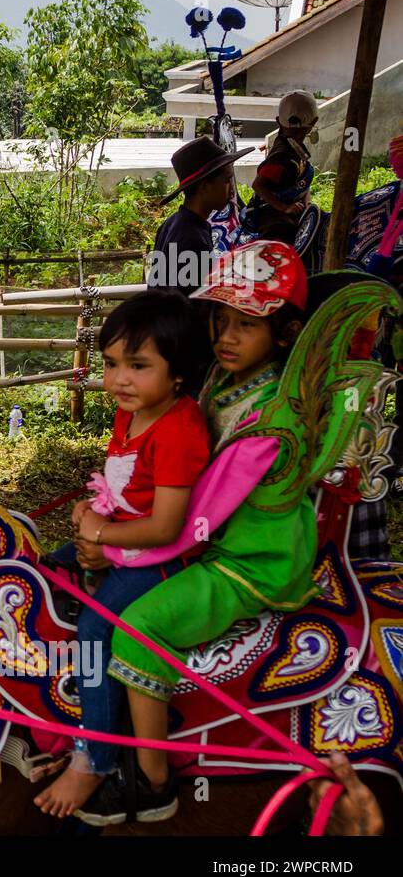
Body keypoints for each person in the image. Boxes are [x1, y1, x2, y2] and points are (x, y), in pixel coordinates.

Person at [76, 240, 315, 826]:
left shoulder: (270, 418)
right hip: (216, 542)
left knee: (138, 634)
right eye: (221, 320)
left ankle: (155, 783)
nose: (227, 337)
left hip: (248, 560)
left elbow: (190, 520)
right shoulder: (226, 383)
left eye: (247, 325)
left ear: (284, 334)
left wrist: (111, 543)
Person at [34, 291, 211, 818]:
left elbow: (165, 525)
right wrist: (92, 514)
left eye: (138, 366)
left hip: (159, 557)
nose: (119, 380)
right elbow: (122, 485)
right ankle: (56, 705)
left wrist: (103, 539)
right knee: (44, 574)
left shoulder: (178, 429)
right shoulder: (131, 413)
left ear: (179, 372)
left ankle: (96, 757)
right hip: (119, 537)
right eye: (111, 364)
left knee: (94, 628)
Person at [147, 136, 252, 296]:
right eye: (226, 180)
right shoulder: (193, 239)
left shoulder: (172, 224)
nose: (232, 189)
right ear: (204, 186)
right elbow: (192, 302)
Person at [244, 90, 318, 244]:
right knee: (283, 236)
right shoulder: (281, 157)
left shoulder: (294, 148)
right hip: (269, 212)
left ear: (278, 121)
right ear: (313, 123)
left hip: (290, 206)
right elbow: (258, 185)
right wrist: (284, 208)